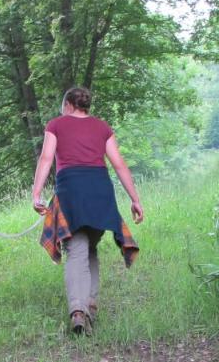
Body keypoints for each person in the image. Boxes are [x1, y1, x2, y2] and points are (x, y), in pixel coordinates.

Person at [32, 86, 144, 335]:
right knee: (89, 248)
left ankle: (78, 311)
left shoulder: (56, 125)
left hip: (71, 192)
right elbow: (118, 164)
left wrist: (36, 193)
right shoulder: (102, 127)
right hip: (100, 193)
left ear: (68, 105)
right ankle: (89, 305)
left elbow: (46, 158)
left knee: (76, 249)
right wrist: (135, 199)